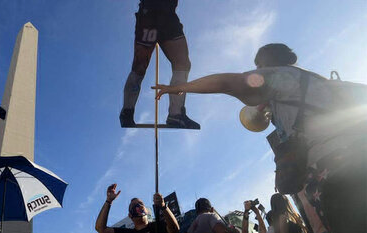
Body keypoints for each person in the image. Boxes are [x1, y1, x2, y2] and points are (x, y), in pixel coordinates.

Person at [153, 43, 366, 233]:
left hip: (337, 173)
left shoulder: (280, 76)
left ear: (267, 63)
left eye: (258, 66)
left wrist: (179, 87)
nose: (257, 71)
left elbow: (226, 83)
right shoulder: (319, 82)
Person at [120, 0, 200, 129]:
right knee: (140, 66)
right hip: (150, 18)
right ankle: (127, 110)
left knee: (183, 63)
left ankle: (176, 113)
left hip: (169, 18)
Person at [95, 184, 180, 233]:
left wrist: (163, 206)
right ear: (130, 215)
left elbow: (174, 229)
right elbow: (100, 229)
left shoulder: (158, 225)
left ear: (147, 210)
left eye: (141, 204)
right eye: (134, 206)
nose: (138, 206)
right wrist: (108, 201)